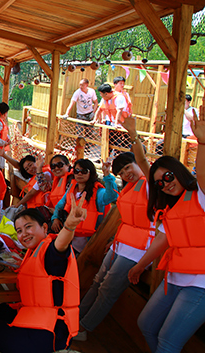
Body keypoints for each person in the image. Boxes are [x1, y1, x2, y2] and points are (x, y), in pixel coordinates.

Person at [127, 105, 205, 353]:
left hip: (201, 283)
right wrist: (140, 265)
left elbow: (203, 172)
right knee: (146, 325)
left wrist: (202, 142)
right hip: (176, 276)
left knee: (168, 341)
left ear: (179, 171)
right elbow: (164, 240)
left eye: (169, 177)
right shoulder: (170, 209)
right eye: (160, 183)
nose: (165, 184)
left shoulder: (200, 195)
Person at [76, 117, 155, 341]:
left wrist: (133, 135)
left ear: (138, 164)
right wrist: (114, 240)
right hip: (120, 244)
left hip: (138, 250)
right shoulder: (130, 188)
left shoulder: (150, 185)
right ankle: (75, 318)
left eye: (129, 167)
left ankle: (84, 328)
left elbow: (144, 162)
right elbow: (126, 218)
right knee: (97, 282)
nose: (126, 173)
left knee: (108, 289)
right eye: (122, 172)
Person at [0, 204, 85, 353]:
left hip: (50, 333)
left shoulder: (51, 251)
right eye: (19, 231)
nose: (24, 234)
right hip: (43, 322)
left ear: (44, 227)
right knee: (3, 309)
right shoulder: (34, 251)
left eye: (28, 227)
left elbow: (60, 245)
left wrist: (69, 227)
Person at [51, 159, 118, 252]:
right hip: (70, 235)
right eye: (76, 171)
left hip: (88, 241)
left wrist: (107, 175)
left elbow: (112, 196)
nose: (79, 174)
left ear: (91, 173)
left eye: (84, 171)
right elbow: (60, 205)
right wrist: (55, 218)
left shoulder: (98, 192)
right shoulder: (72, 188)